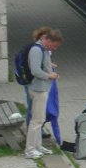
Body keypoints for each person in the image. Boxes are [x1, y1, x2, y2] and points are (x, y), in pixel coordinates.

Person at [24, 28, 63, 160]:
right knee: (36, 120)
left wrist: (49, 65)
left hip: (43, 88)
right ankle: (29, 149)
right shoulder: (37, 50)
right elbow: (35, 70)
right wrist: (49, 75)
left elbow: (40, 64)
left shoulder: (44, 49)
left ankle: (38, 146)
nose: (55, 48)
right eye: (54, 45)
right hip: (38, 89)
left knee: (40, 119)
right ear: (47, 40)